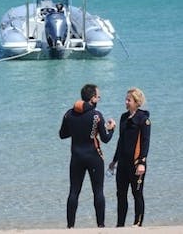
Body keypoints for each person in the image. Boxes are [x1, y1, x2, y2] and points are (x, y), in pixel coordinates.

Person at [59, 84, 116, 228]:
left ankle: (70, 227)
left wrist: (77, 130)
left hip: (76, 157)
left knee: (74, 191)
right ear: (92, 98)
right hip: (94, 157)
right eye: (98, 96)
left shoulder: (69, 114)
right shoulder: (97, 116)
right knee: (98, 192)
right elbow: (106, 139)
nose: (99, 98)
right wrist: (112, 129)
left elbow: (62, 134)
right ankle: (101, 226)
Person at [108, 87, 151, 227]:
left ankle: (137, 223)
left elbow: (145, 142)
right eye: (126, 99)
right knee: (120, 195)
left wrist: (142, 162)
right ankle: (120, 224)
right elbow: (121, 141)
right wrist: (114, 161)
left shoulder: (143, 120)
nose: (126, 102)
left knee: (137, 193)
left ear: (137, 102)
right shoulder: (123, 117)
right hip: (123, 164)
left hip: (136, 163)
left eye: (129, 100)